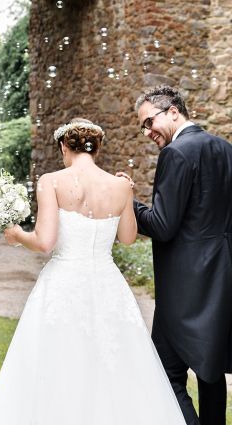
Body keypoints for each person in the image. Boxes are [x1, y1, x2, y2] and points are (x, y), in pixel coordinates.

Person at [0, 119, 184, 424]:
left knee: (59, 361)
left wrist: (15, 235)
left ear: (65, 146)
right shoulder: (120, 185)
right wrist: (127, 194)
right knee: (113, 362)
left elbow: (45, 242)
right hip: (108, 284)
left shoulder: (50, 181)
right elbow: (128, 238)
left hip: (63, 283)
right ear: (97, 148)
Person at [128, 85, 232, 425]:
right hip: (221, 281)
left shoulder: (176, 153)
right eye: (142, 127)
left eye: (149, 122)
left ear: (173, 111)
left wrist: (126, 201)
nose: (147, 132)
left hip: (184, 289)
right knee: (210, 372)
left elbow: (162, 225)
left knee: (165, 375)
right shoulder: (224, 148)